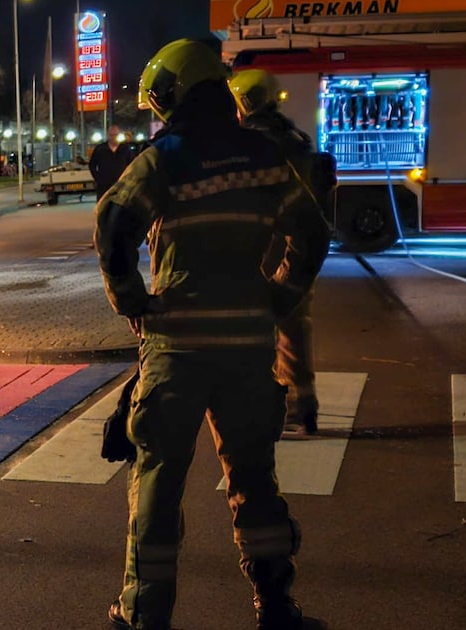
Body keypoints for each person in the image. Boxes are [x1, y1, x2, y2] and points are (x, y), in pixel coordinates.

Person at [94, 39, 330, 630]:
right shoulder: (265, 155)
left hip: (176, 349)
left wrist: (134, 302)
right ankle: (276, 606)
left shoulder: (164, 158)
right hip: (249, 348)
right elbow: (311, 233)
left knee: (157, 479)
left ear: (174, 93)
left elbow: (113, 226)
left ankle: (146, 611)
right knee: (254, 478)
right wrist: (278, 295)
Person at [229, 68, 339, 436]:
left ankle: (263, 411)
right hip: (300, 251)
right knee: (294, 329)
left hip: (260, 248)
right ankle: (302, 408)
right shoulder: (297, 138)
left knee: (252, 334)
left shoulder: (248, 144)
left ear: (244, 103)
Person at [89, 124, 139, 201]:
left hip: (121, 186)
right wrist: (98, 179)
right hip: (104, 186)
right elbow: (92, 165)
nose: (113, 137)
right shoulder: (100, 149)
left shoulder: (125, 149)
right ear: (108, 135)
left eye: (115, 135)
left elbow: (132, 165)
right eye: (111, 135)